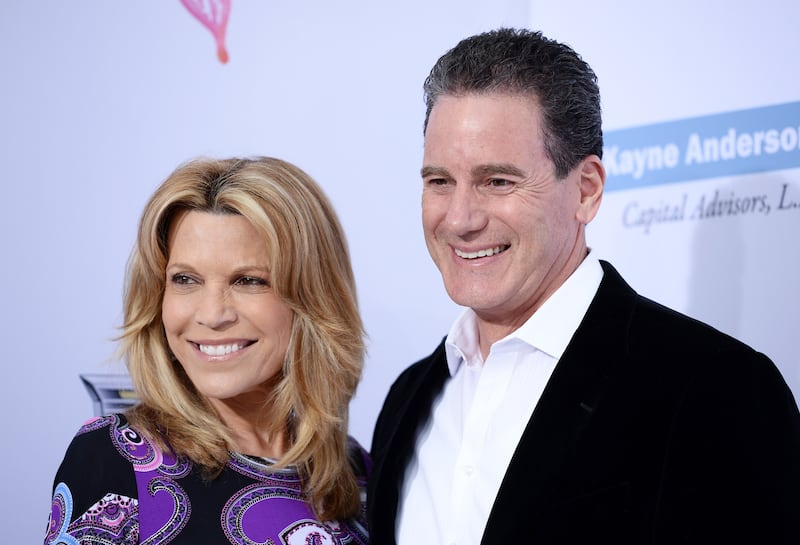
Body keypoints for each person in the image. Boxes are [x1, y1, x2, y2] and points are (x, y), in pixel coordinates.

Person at [367, 28, 800, 544]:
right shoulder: (407, 398)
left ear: (587, 190)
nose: (459, 219)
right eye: (439, 181)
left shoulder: (716, 388)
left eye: (497, 181)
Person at [45, 157, 369, 544]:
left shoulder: (356, 471)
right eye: (185, 279)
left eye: (249, 280)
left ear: (313, 299)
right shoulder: (115, 460)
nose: (212, 315)